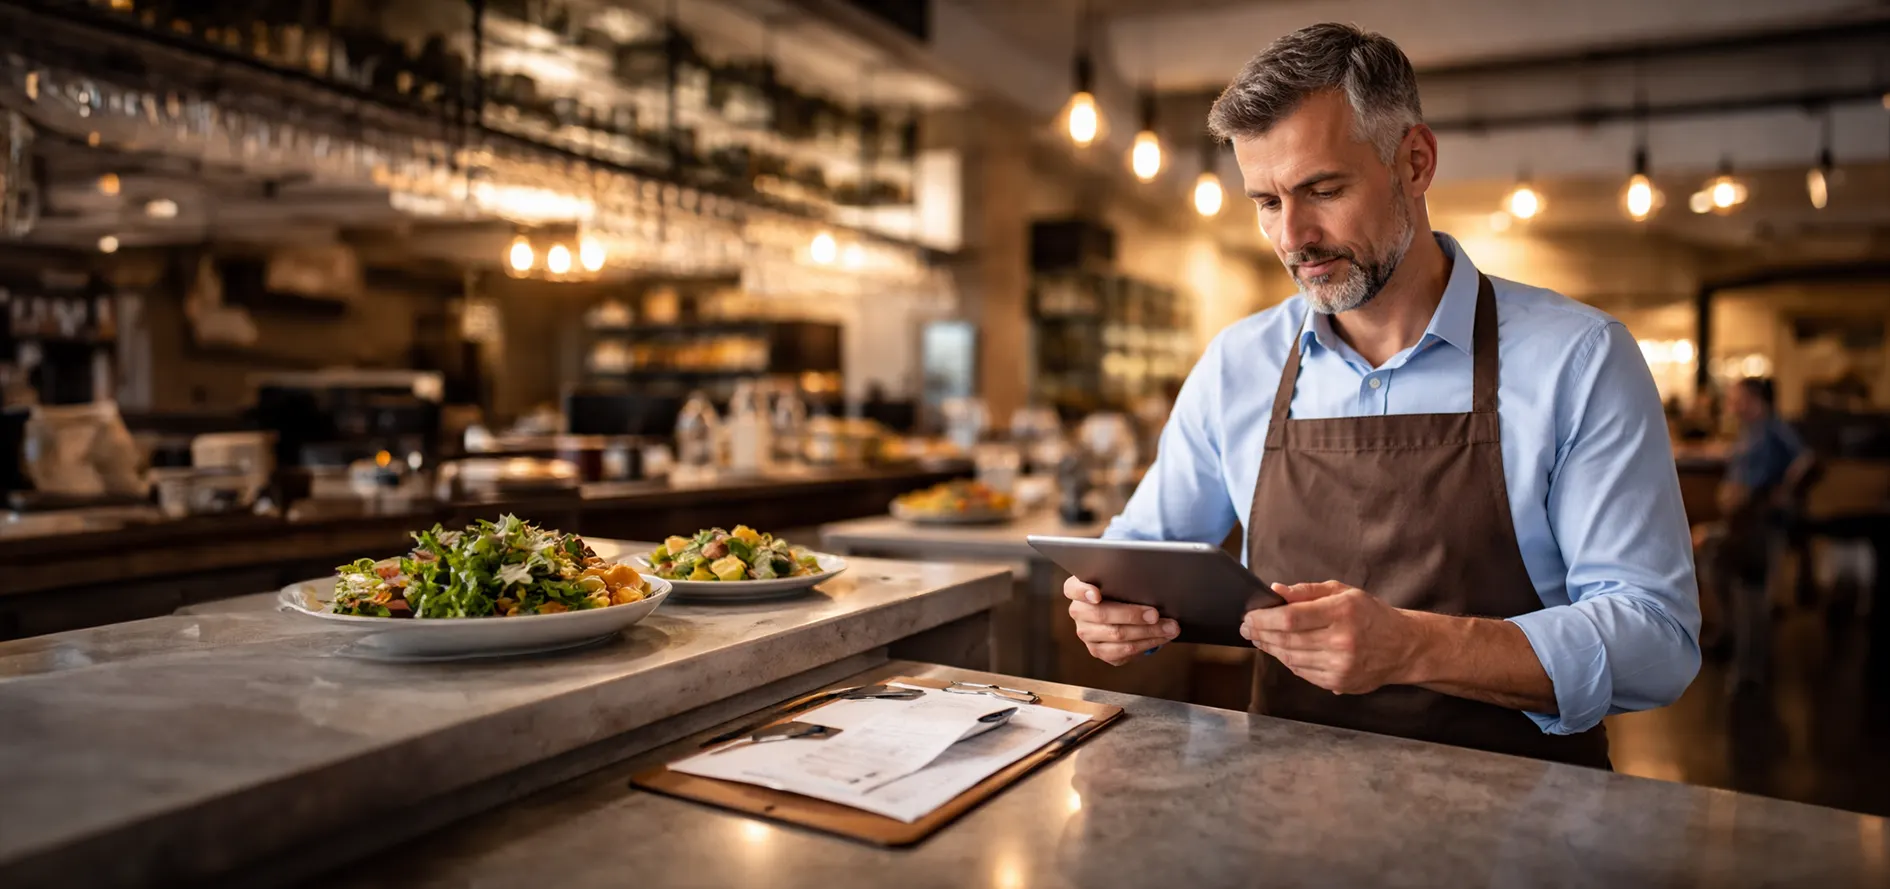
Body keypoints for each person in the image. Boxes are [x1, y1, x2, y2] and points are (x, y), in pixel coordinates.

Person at [1063, 23, 1700, 768]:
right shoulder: (1238, 365)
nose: (1293, 236)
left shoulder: (1579, 359)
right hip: (1284, 815)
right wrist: (1108, 608)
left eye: (1322, 190)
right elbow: (1142, 552)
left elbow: (1657, 639)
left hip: (1523, 826)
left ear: (1416, 162)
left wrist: (1413, 645)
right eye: (1266, 201)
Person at [1701, 377, 1816, 690]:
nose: (1732, 403)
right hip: (1741, 521)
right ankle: (1729, 639)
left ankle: (1749, 670)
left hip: (1762, 522)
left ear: (1754, 398)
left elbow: (1805, 460)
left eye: (1737, 397)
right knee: (1717, 571)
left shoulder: (1774, 427)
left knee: (1752, 595)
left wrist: (1784, 491)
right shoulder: (1750, 431)